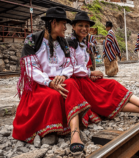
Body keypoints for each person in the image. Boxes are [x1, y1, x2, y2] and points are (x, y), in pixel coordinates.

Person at [67, 12, 139, 151]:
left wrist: (90, 74)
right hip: (77, 82)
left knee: (112, 83)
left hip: (85, 78)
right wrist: (90, 73)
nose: (84, 28)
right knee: (104, 94)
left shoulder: (82, 42)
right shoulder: (70, 43)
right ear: (73, 26)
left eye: (86, 26)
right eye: (80, 25)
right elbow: (68, 67)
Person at [13, 8, 92, 153]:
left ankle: (75, 133)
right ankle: (50, 130)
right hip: (40, 84)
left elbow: (69, 65)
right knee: (54, 96)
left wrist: (63, 75)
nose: (65, 28)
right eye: (63, 24)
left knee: (71, 84)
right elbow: (30, 69)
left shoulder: (64, 43)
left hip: (59, 80)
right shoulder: (32, 40)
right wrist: (49, 82)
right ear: (53, 23)